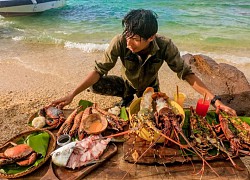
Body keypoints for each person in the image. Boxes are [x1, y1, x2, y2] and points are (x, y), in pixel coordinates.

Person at [51, 9, 236, 116]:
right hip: (126, 84)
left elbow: (186, 73)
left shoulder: (165, 45)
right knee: (94, 85)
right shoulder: (121, 41)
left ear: (151, 37)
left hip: (150, 88)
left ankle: (138, 100)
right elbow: (99, 70)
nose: (129, 43)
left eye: (136, 39)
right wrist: (72, 94)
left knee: (155, 116)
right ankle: (127, 97)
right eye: (127, 35)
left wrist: (215, 100)